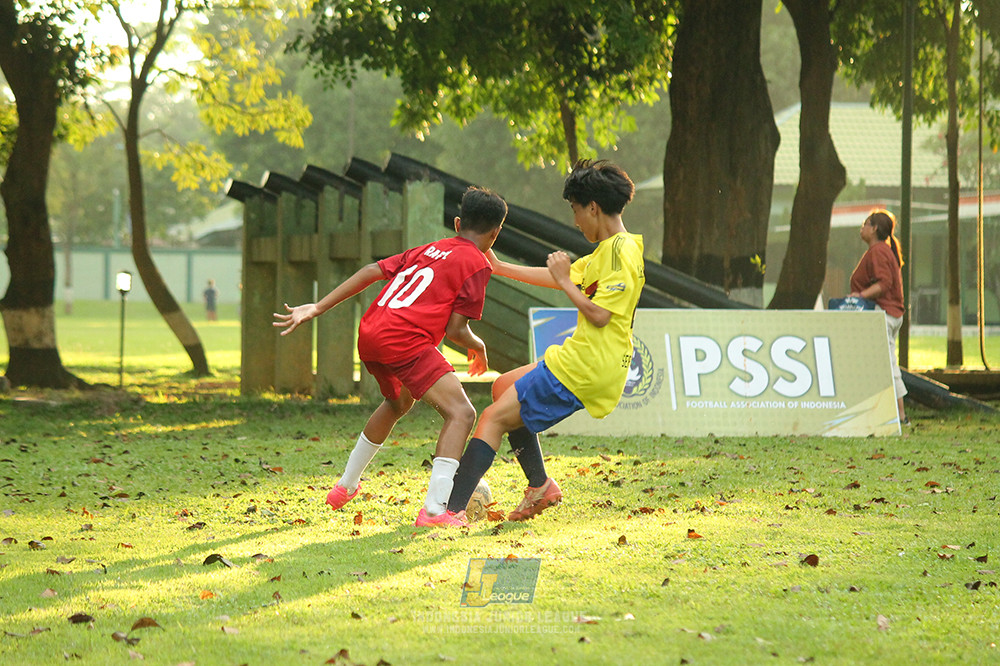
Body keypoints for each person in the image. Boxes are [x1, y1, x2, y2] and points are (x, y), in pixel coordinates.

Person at [273, 186, 508, 527]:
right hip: (404, 340)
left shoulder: (429, 249)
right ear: (496, 233)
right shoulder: (476, 263)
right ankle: (434, 511)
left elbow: (372, 270)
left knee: (398, 404)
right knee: (461, 413)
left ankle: (345, 485)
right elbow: (457, 330)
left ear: (458, 224)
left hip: (372, 332)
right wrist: (480, 345)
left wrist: (319, 306)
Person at [446, 159, 645, 521]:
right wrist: (499, 266)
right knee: (504, 387)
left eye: (575, 210)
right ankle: (540, 487)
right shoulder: (608, 251)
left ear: (593, 207)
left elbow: (600, 315)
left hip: (588, 367)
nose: (575, 221)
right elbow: (555, 277)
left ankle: (449, 511)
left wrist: (566, 280)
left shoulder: (623, 253)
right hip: (582, 359)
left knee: (492, 418)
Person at [849, 208, 908, 425]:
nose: (862, 228)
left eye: (865, 223)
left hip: (884, 314)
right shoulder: (883, 251)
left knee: (888, 364)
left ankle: (901, 415)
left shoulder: (879, 252)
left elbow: (884, 284)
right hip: (889, 313)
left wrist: (860, 295)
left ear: (874, 229)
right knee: (879, 363)